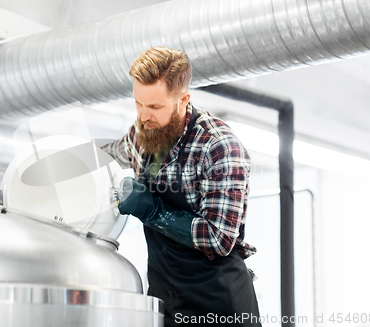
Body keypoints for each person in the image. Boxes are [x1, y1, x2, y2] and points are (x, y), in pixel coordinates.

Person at [102, 46, 261, 327]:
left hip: (218, 304)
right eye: (138, 103)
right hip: (166, 299)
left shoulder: (219, 147)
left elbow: (219, 238)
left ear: (183, 99)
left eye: (154, 106)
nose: (142, 116)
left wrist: (153, 212)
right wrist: (61, 160)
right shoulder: (143, 133)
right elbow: (107, 155)